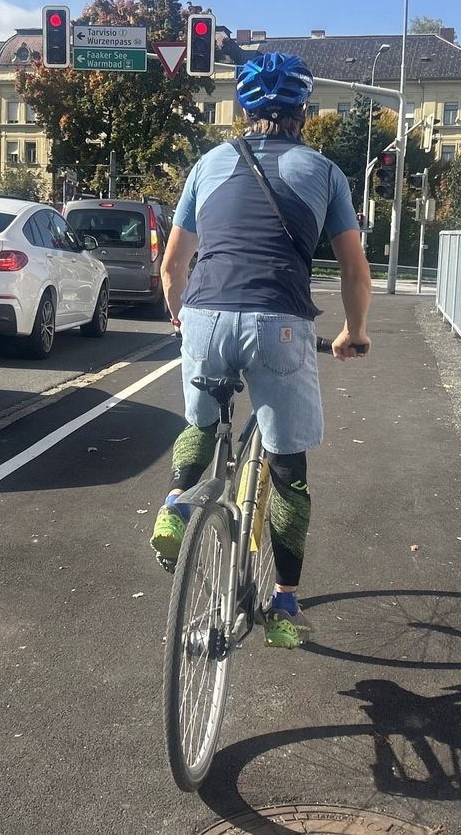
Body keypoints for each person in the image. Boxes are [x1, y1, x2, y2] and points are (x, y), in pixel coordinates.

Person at [150, 52, 373, 649]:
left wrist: (179, 317)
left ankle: (175, 503)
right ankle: (283, 606)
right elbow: (355, 270)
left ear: (243, 111)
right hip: (278, 323)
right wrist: (353, 331)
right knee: (289, 471)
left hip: (205, 317)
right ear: (305, 111)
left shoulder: (207, 165)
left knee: (201, 421)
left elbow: (173, 264)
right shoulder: (324, 173)